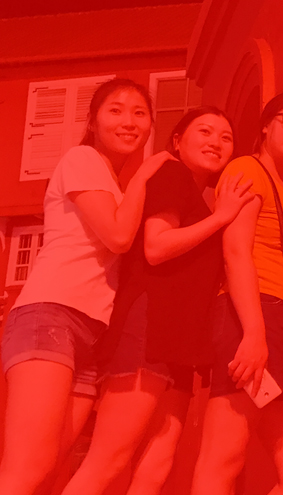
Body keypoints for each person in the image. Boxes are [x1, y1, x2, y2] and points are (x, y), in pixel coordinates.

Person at [61, 107, 253, 495]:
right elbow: (156, 246)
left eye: (225, 137)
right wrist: (221, 219)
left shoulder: (199, 197)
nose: (216, 142)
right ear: (177, 141)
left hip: (180, 340)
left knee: (158, 463)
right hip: (148, 326)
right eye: (205, 131)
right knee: (109, 459)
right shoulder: (171, 174)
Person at [0, 79, 170, 495]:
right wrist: (144, 174)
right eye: (116, 110)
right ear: (92, 122)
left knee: (51, 469)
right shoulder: (82, 159)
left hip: (91, 332)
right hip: (50, 314)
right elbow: (118, 236)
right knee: (26, 470)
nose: (129, 121)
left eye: (139, 113)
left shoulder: (114, 183)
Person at [191, 91, 283, 495]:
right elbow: (236, 251)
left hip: (277, 322)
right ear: (265, 126)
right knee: (223, 457)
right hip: (251, 315)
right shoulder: (246, 168)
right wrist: (253, 332)